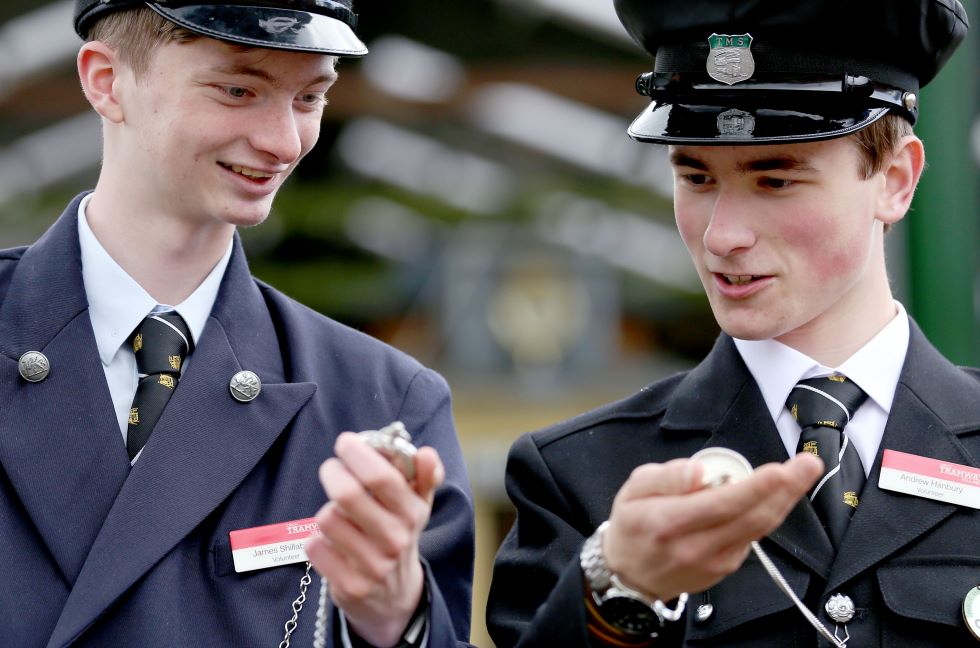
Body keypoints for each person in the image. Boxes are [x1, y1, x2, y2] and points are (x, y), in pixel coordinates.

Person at [487, 0, 977, 646]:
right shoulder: (580, 478)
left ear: (895, 180)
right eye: (694, 175)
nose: (722, 236)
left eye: (774, 180)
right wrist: (616, 587)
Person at [0, 2, 474, 647]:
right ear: (107, 81)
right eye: (237, 90)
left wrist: (391, 618)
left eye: (310, 98)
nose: (283, 142)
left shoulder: (382, 400)